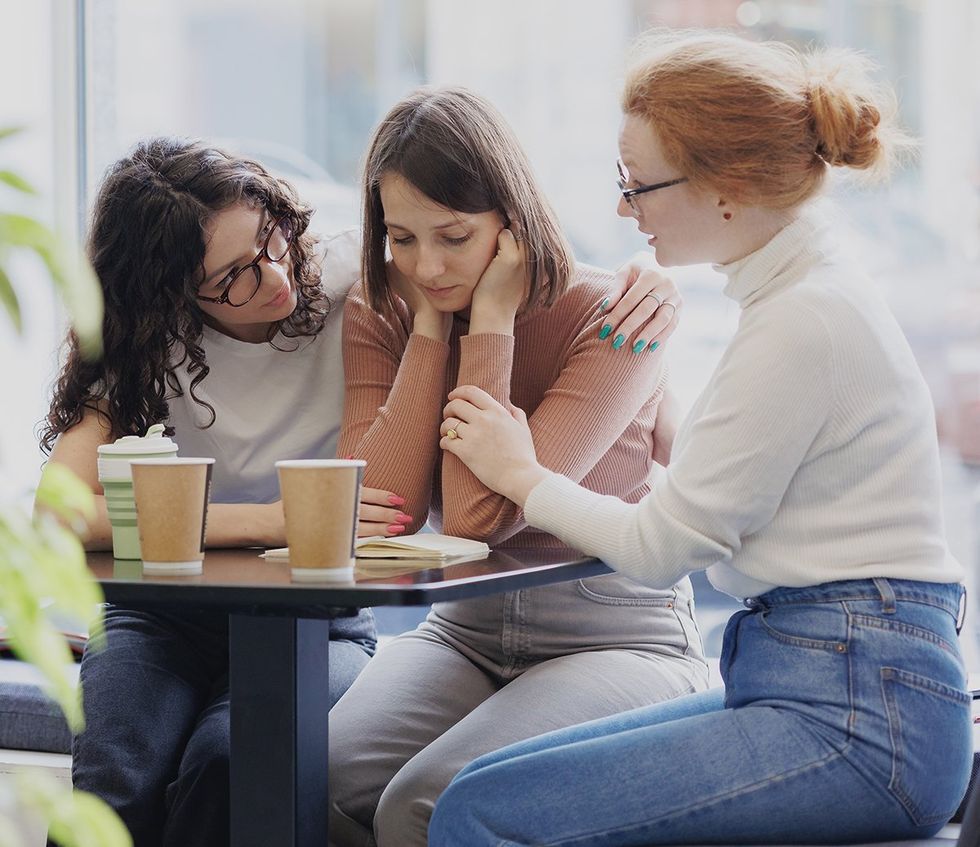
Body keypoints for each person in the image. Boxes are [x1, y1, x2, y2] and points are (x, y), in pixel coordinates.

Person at [429, 31, 972, 846]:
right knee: (477, 790)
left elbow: (660, 548)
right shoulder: (804, 298)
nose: (623, 208)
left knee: (481, 812)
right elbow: (729, 487)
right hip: (837, 685)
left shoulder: (802, 320)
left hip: (859, 720)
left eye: (636, 184)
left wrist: (520, 470)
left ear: (729, 188)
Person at [326, 86, 709, 847]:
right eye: (401, 238)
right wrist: (431, 328)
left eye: (453, 237)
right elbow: (381, 512)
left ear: (511, 220)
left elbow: (479, 518)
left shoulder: (617, 316)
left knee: (424, 804)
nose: (426, 265)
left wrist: (491, 323)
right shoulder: (384, 306)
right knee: (315, 775)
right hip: (463, 633)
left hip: (618, 638)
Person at [39, 138, 407, 847]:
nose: (272, 276)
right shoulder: (143, 341)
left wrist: (632, 284)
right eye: (233, 275)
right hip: (159, 617)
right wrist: (266, 520)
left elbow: (479, 261)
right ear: (173, 297)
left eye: (269, 238)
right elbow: (58, 513)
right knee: (118, 780)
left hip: (318, 621)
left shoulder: (341, 276)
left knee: (230, 763)